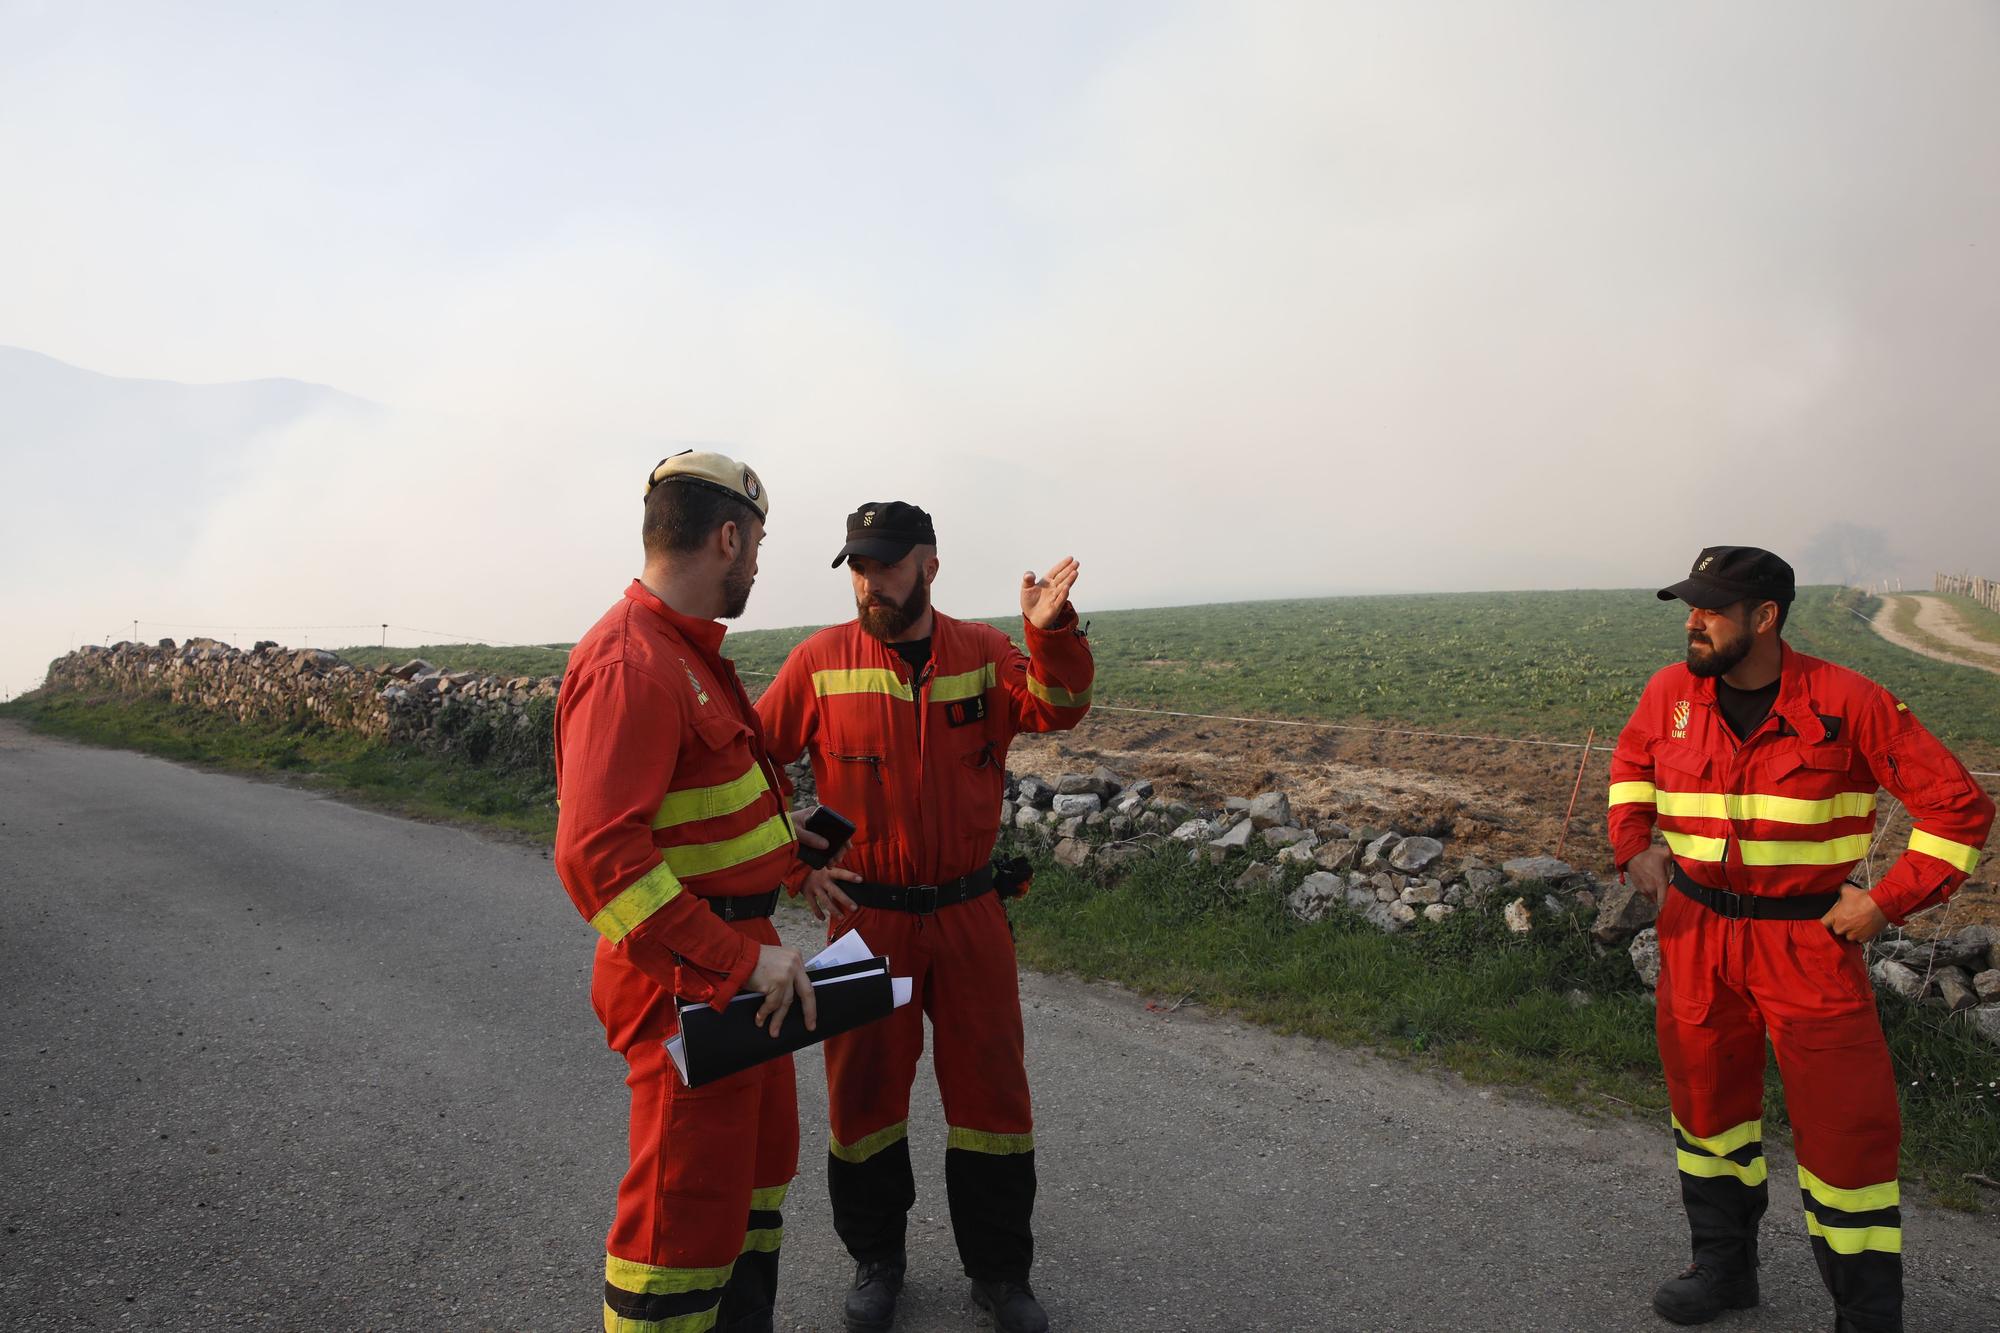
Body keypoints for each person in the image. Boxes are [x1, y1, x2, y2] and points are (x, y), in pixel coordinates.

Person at [1607, 546, 1994, 1333]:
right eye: (1691, 604)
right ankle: (1723, 1268)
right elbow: (1630, 766)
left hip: (1805, 945)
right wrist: (1632, 841)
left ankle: (1866, 1315)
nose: (1693, 620)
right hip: (1695, 934)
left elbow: (1959, 809)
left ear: (1766, 617)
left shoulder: (1849, 701)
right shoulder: (1670, 693)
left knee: (1847, 1133)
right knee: (1706, 1113)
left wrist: (1885, 903)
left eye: (1711, 608)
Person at [756, 501, 1094, 1333]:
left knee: (993, 1100)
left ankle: (1000, 1276)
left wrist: (1048, 632)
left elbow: (1059, 705)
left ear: (930, 566)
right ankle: (878, 1261)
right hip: (868, 922)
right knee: (863, 1098)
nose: (871, 583)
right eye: (859, 567)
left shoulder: (981, 653)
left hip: (971, 912)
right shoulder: (820, 661)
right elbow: (752, 760)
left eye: (887, 564)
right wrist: (791, 856)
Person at [553, 451, 828, 1333]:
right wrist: (738, 962)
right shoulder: (635, 663)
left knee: (745, 1211)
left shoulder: (686, 653)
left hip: (739, 984)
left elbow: (700, 815)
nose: (756, 565)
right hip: (693, 994)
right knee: (674, 1243)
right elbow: (600, 859)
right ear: (727, 535)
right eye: (756, 545)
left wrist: (791, 852)